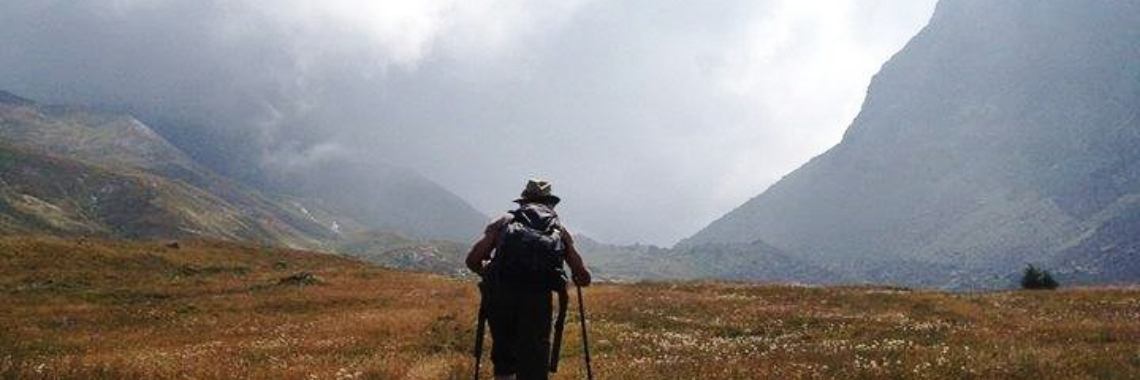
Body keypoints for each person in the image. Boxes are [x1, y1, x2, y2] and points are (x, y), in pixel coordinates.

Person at [466, 179, 591, 380]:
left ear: (523, 201)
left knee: (504, 354)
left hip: (502, 297)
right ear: (550, 203)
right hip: (538, 300)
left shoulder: (504, 222)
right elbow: (583, 277)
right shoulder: (558, 228)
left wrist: (490, 272)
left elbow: (472, 260)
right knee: (534, 356)